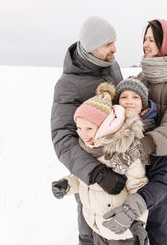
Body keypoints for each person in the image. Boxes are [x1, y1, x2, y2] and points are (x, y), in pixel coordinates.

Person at [105, 19, 167, 245]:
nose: (145, 44)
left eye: (151, 40)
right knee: (148, 221)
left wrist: (140, 147)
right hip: (140, 165)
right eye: (144, 39)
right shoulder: (144, 76)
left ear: (166, 43)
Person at [51, 16, 126, 245]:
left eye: (115, 41)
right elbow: (62, 137)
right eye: (108, 44)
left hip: (123, 165)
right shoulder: (68, 84)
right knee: (90, 231)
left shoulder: (112, 66)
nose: (115, 48)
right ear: (93, 47)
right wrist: (96, 174)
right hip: (91, 179)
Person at [52, 82, 149, 245]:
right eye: (79, 128)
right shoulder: (88, 146)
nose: (83, 134)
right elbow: (84, 179)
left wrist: (137, 222)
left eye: (89, 128)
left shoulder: (124, 149)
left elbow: (138, 187)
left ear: (104, 126)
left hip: (122, 231)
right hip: (97, 227)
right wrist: (67, 184)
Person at [102, 77, 167, 245]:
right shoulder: (108, 131)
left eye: (135, 97)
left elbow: (162, 178)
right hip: (119, 210)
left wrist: (138, 203)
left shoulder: (155, 133)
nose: (129, 101)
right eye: (124, 97)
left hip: (154, 204)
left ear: (144, 104)